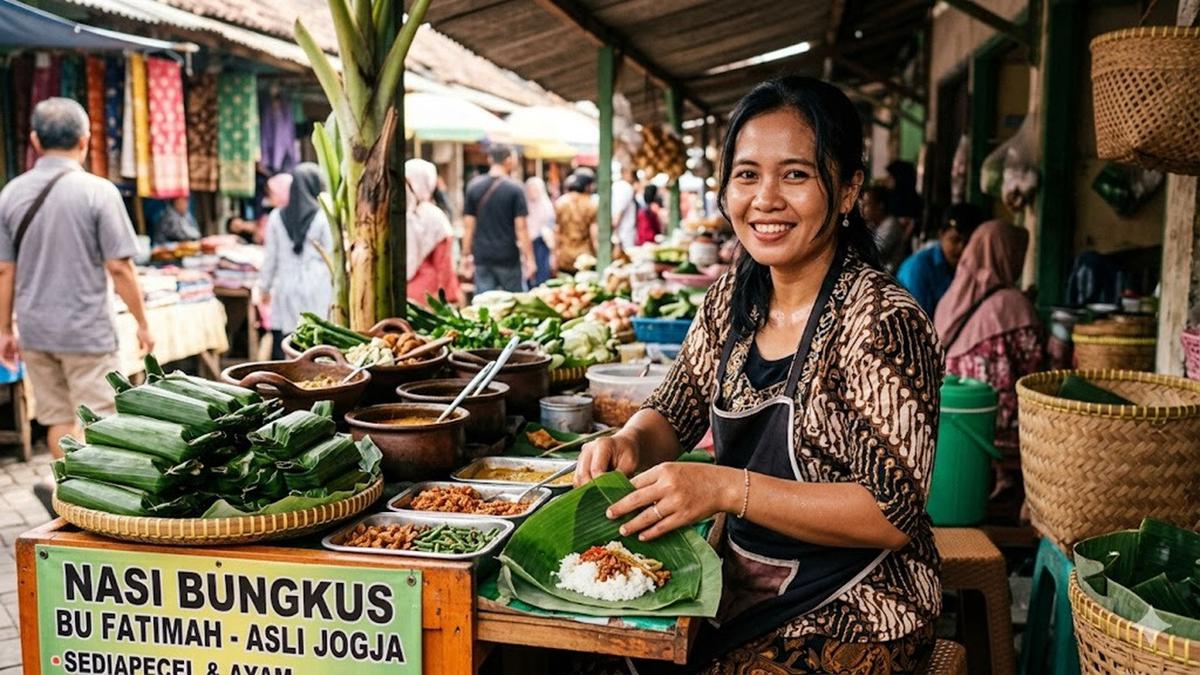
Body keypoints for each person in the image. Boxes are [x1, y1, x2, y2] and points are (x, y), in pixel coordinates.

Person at [576, 77, 941, 673]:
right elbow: (676, 406)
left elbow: (890, 513)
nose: (765, 199)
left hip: (859, 607)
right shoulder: (731, 299)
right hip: (741, 584)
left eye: (795, 175)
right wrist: (629, 442)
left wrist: (725, 488)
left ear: (848, 190)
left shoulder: (881, 322)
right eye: (747, 175)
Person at [0, 97, 154, 458]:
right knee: (101, 421)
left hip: (37, 331)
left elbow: (5, 269)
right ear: (85, 140)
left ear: (35, 141)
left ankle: (65, 489)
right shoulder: (98, 192)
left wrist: (5, 329)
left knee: (57, 418)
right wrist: (142, 322)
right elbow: (119, 267)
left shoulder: (10, 194)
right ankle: (93, 506)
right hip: (86, 331)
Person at [935, 219, 1044, 455]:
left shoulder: (950, 299)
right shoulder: (1015, 304)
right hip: (996, 425)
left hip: (950, 418)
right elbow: (1036, 373)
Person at [259, 163, 333, 360]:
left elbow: (270, 258)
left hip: (286, 285)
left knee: (288, 341)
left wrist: (264, 289)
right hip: (318, 285)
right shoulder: (323, 217)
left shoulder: (276, 217)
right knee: (315, 340)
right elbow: (332, 255)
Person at [460, 145, 535, 293]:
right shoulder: (516, 189)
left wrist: (464, 256)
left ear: (489, 159)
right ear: (508, 160)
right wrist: (530, 259)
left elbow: (468, 226)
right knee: (513, 304)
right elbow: (521, 228)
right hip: (508, 256)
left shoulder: (473, 186)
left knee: (483, 306)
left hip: (482, 256)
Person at [896, 203, 984, 316]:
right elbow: (920, 323)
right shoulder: (918, 269)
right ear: (941, 235)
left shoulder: (973, 265)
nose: (962, 248)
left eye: (969, 243)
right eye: (955, 240)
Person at [405, 158, 461, 306]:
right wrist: (450, 298)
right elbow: (444, 264)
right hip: (428, 296)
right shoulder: (434, 216)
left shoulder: (392, 215)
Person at [554, 171, 598, 274]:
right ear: (587, 186)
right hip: (585, 257)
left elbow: (557, 231)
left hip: (564, 255)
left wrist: (555, 254)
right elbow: (594, 236)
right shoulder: (591, 204)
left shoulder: (560, 202)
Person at [861, 183, 907, 273]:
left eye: (867, 205)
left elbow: (875, 252)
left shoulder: (891, 225)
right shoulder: (872, 224)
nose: (863, 209)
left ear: (880, 206)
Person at [524, 176, 556, 286]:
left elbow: (551, 227)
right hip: (527, 243)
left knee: (542, 275)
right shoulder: (524, 205)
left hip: (542, 244)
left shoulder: (546, 206)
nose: (532, 192)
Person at [612, 165, 639, 254]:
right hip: (624, 238)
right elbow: (617, 216)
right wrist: (616, 238)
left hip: (620, 236)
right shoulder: (625, 187)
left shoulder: (616, 186)